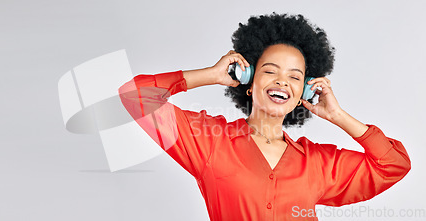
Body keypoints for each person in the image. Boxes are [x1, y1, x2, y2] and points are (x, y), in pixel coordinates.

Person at [118, 13, 411, 221]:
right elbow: (135, 95)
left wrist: (338, 116)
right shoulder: (208, 142)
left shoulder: (319, 163)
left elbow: (394, 165)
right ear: (249, 81)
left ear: (303, 93)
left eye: (294, 77)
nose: (282, 81)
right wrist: (210, 74)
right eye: (270, 71)